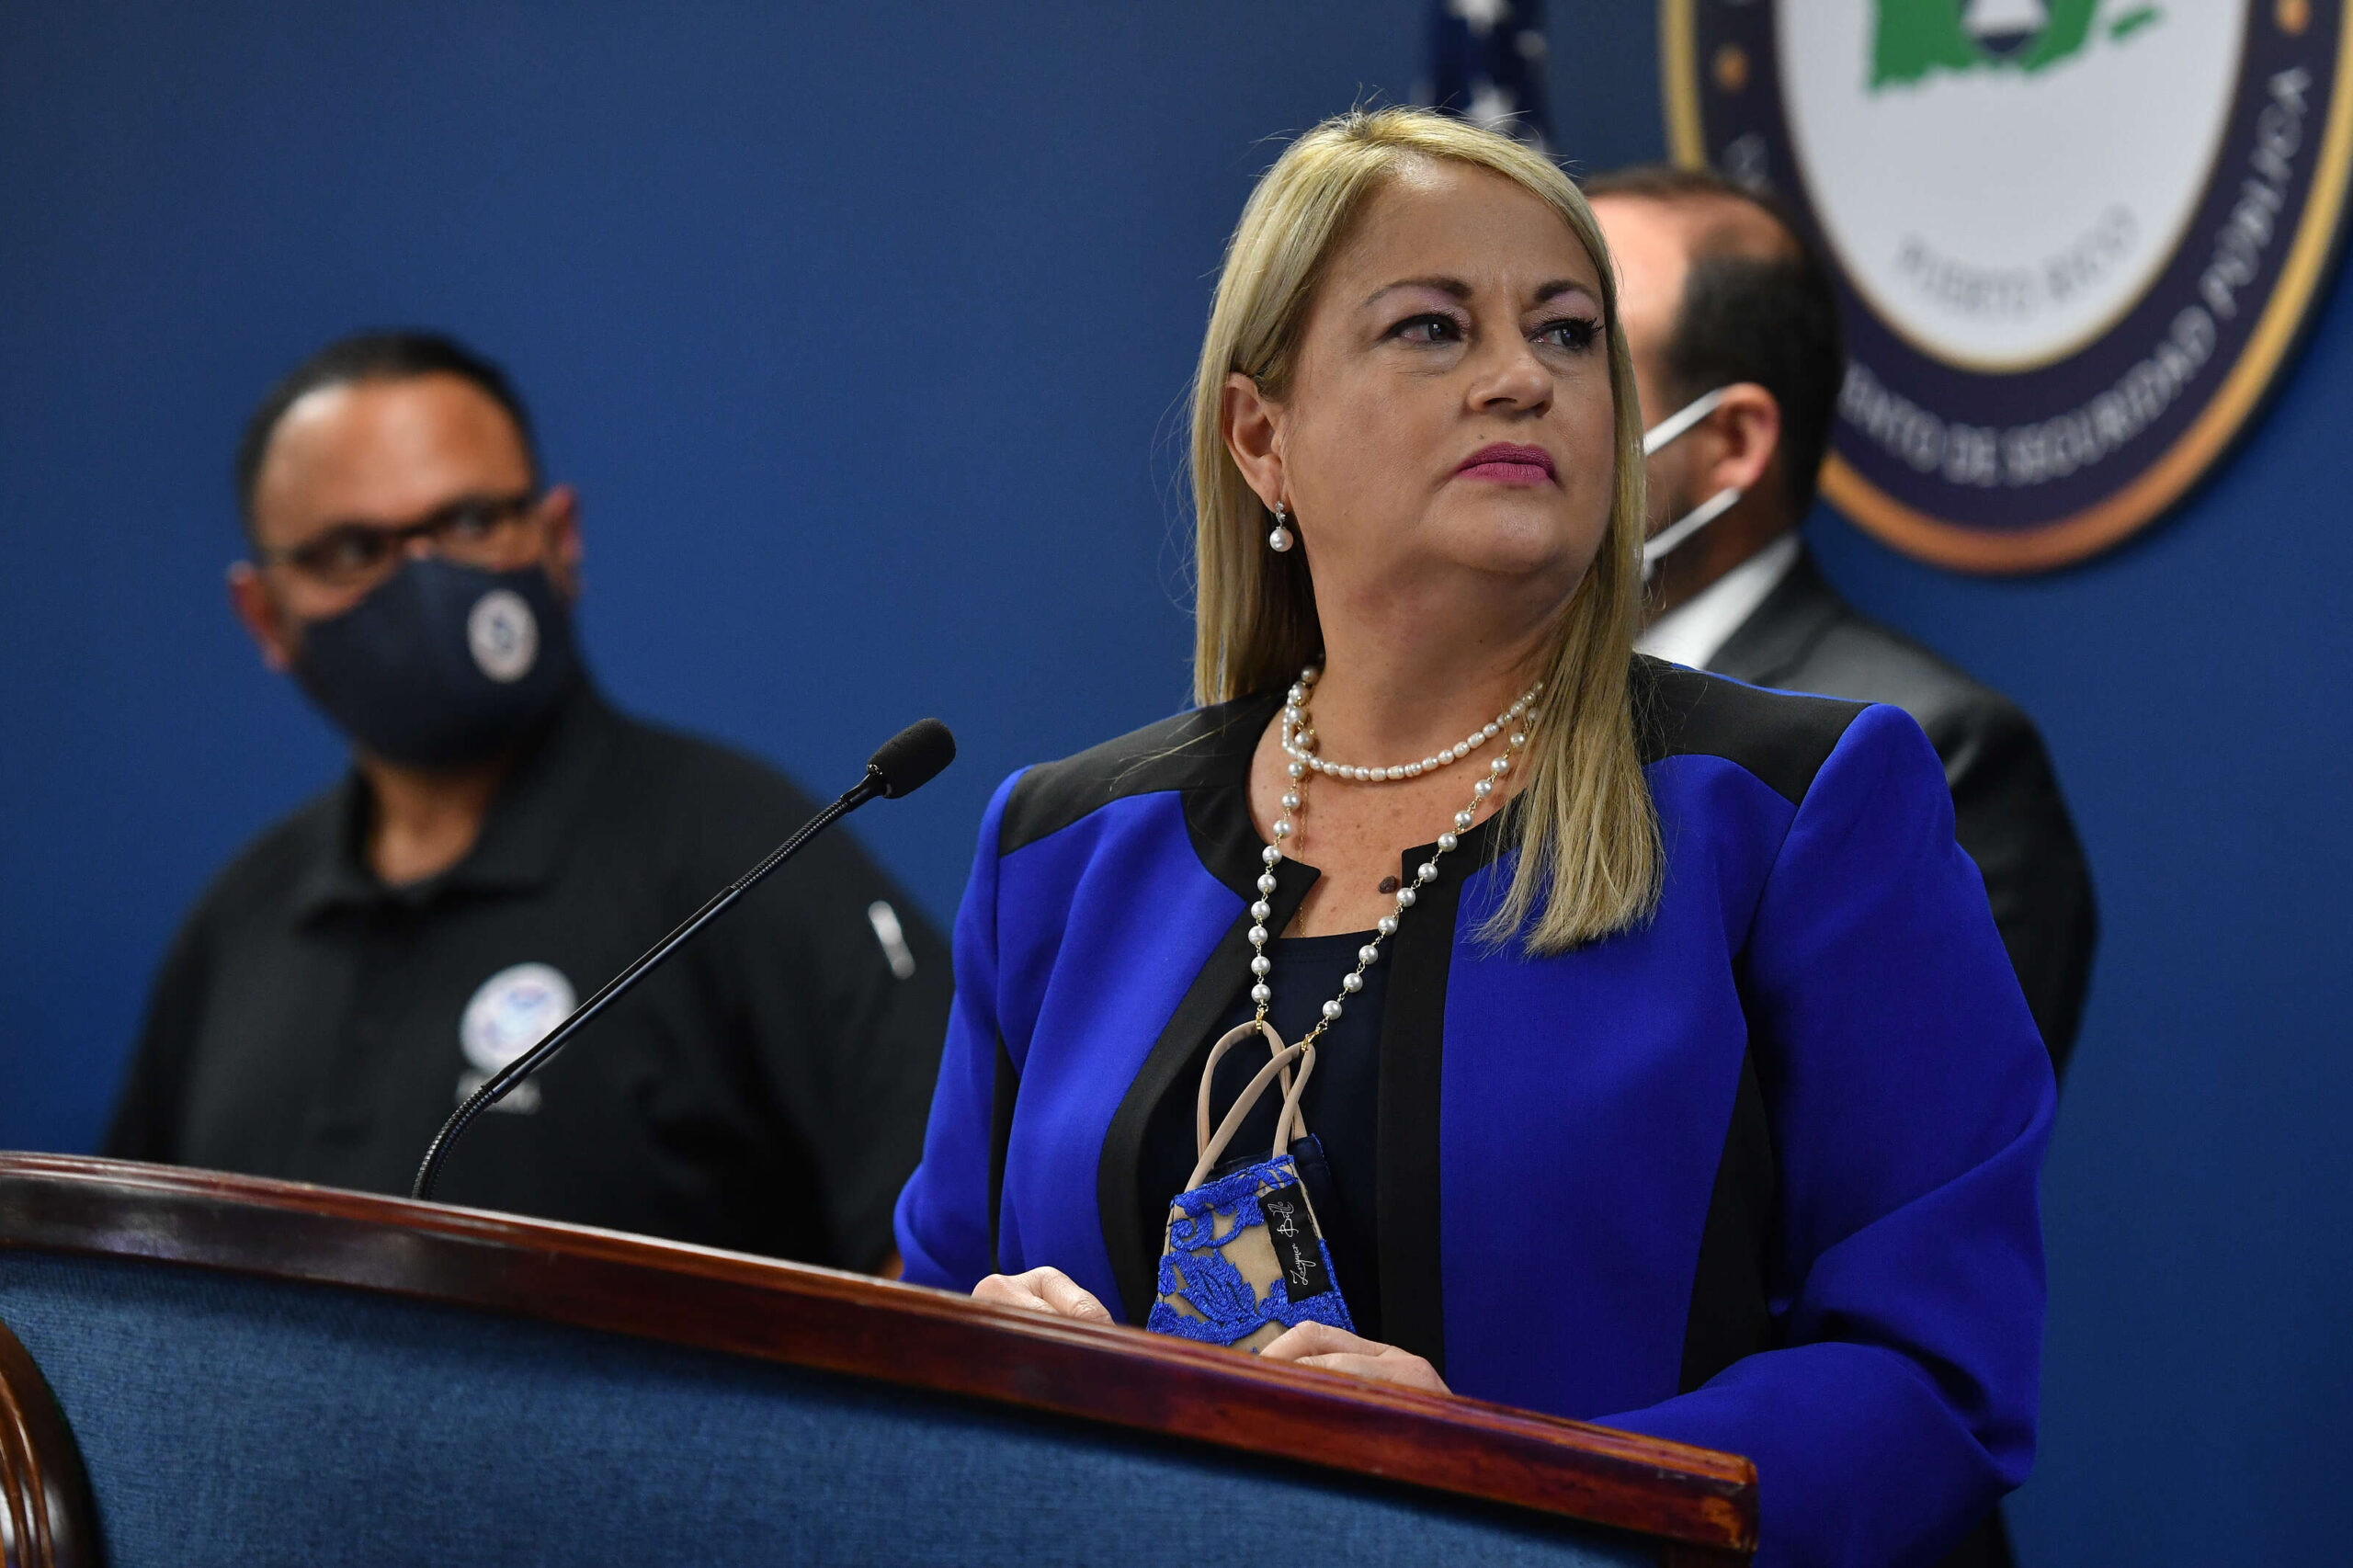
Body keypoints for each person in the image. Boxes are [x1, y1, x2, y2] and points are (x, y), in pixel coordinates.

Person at [892, 109, 2052, 1568]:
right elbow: (926, 1322)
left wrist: (1514, 1485)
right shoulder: (1061, 851)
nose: (1522, 376)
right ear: (1262, 436)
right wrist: (977, 1365)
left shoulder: (1799, 811)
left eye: (1568, 333)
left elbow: (1932, 1376)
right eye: (1433, 328)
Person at [105, 331, 950, 1273]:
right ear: (265, 613)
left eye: (470, 522)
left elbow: (953, 1267)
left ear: (560, 540)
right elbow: (119, 1292)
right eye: (355, 549)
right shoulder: (239, 925)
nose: (425, 582)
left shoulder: (752, 862)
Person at [1586, 163, 2098, 1075]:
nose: (1516, 397)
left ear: (1731, 443)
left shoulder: (1934, 749)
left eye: (1576, 347)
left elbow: (1921, 1130)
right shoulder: (1474, 716)